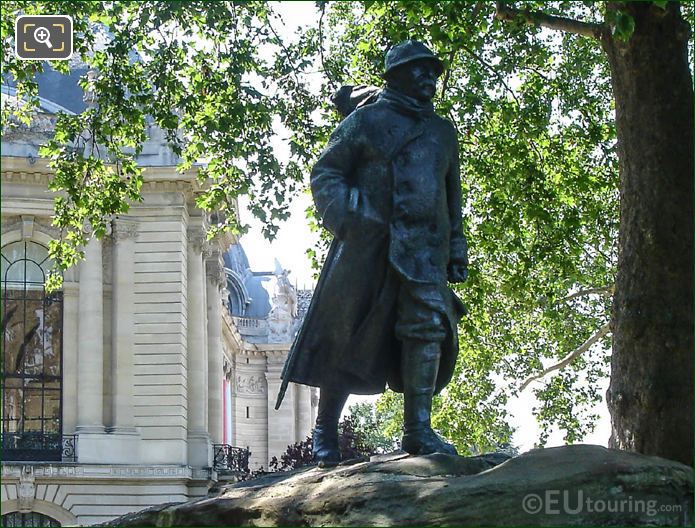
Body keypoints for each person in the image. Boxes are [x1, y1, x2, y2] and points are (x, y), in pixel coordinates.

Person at [276, 40, 468, 466]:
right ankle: (325, 427)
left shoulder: (442, 132)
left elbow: (451, 195)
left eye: (433, 73)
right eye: (420, 71)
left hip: (424, 249)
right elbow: (327, 171)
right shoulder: (365, 121)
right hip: (368, 247)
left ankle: (418, 429)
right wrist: (352, 216)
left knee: (426, 330)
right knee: (346, 334)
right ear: (396, 74)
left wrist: (457, 245)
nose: (429, 80)